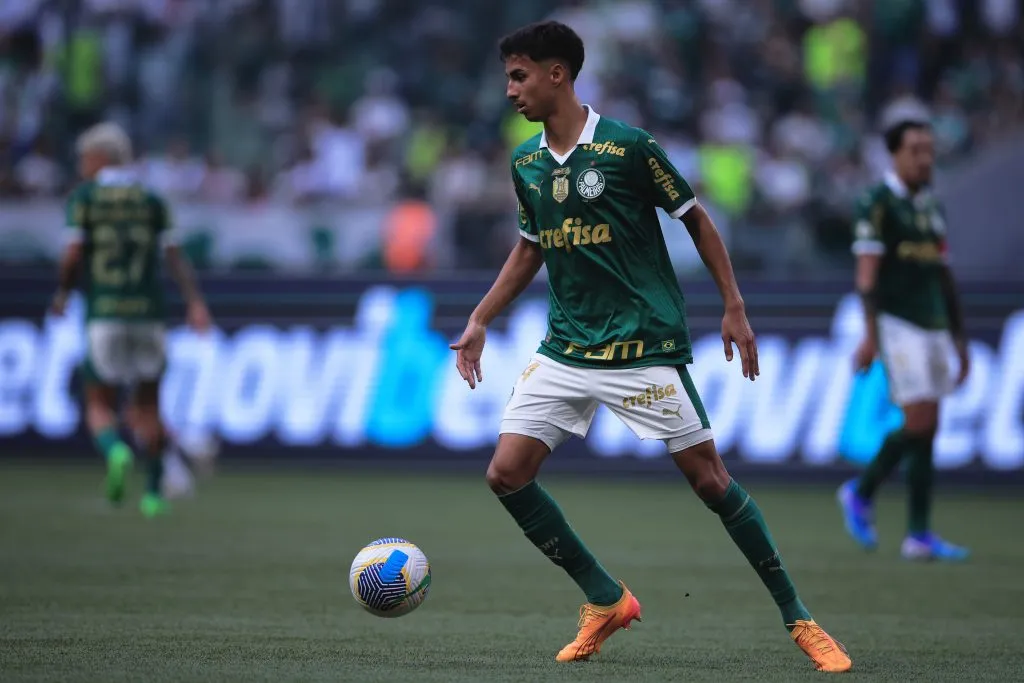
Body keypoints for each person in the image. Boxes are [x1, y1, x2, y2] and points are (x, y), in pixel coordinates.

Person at [450, 21, 851, 672]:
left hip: (642, 344)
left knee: (711, 482)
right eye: (507, 77)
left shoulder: (630, 148)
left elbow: (695, 216)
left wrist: (733, 306)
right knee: (505, 473)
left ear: (558, 74)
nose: (509, 90)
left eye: (519, 75)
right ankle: (605, 598)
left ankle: (799, 617)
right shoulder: (526, 163)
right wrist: (481, 318)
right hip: (566, 346)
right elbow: (531, 247)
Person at [50, 122, 212, 517]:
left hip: (104, 311)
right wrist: (194, 302)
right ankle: (155, 495)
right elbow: (174, 256)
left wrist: (64, 293)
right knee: (149, 407)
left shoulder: (84, 197)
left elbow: (74, 254)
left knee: (99, 404)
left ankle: (115, 450)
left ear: (101, 157)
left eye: (85, 158)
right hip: (149, 315)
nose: (82, 166)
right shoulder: (152, 199)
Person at [838, 119, 970, 561]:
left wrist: (960, 340)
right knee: (917, 421)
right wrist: (870, 336)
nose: (925, 158)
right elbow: (866, 278)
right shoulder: (877, 203)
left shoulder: (932, 206)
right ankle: (862, 489)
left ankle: (918, 534)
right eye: (916, 150)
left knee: (929, 426)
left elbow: (944, 276)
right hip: (898, 324)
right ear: (894, 154)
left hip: (933, 324)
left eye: (929, 150)